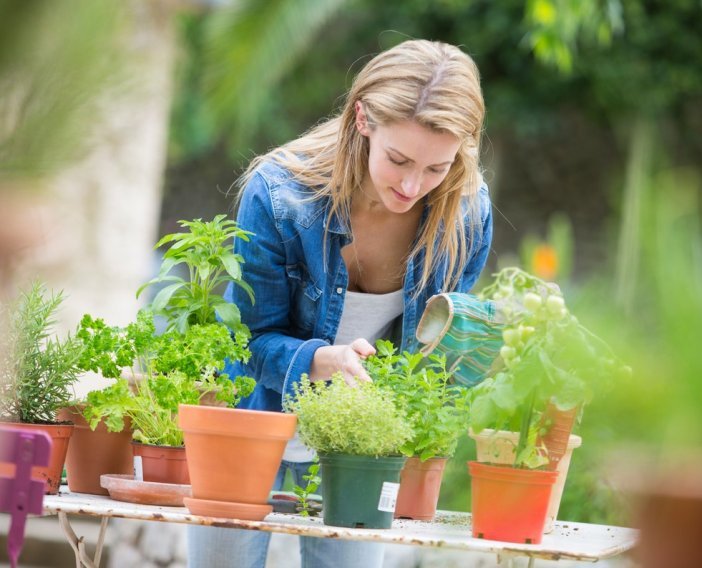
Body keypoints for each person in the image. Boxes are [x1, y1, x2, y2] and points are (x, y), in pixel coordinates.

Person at [187, 38, 493, 568]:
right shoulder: (281, 195)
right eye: (398, 160)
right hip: (253, 420)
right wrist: (316, 361)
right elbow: (249, 339)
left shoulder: (464, 213)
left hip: (365, 447)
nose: (413, 185)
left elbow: (441, 354)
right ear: (362, 121)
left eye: (437, 168)